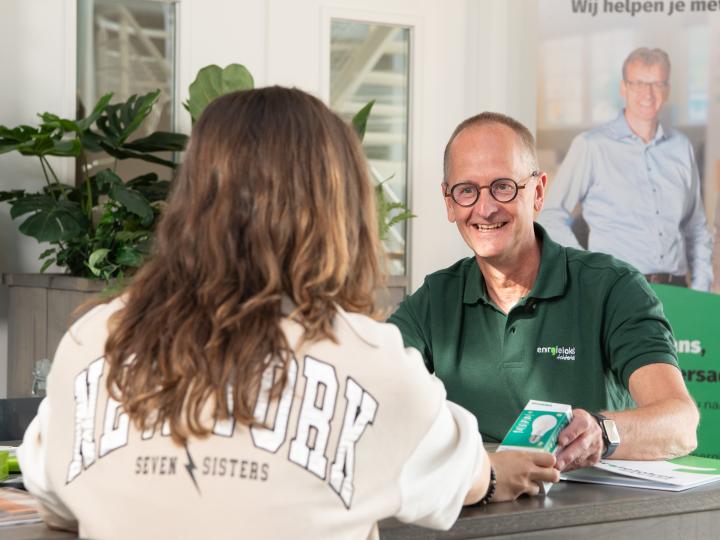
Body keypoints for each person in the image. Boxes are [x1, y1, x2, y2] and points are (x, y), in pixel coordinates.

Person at [17, 87, 558, 540]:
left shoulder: (93, 341)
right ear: (339, 207)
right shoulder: (371, 362)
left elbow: (53, 496)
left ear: (192, 200)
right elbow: (462, 475)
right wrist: (493, 476)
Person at [388, 111, 699, 474]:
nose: (485, 208)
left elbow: (680, 424)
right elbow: (365, 395)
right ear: (449, 202)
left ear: (537, 192)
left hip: (587, 519)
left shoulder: (612, 287)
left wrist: (601, 433)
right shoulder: (433, 300)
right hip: (475, 510)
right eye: (467, 190)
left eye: (502, 186)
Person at [537, 47, 713, 291]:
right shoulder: (591, 146)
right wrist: (589, 269)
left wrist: (701, 289)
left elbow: (695, 226)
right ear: (623, 88)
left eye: (657, 84)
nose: (648, 94)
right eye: (639, 83)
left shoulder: (681, 147)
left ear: (667, 90)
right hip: (618, 291)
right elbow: (550, 216)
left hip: (678, 290)